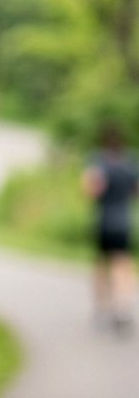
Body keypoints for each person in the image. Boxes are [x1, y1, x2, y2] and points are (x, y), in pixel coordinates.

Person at [82, 122, 138, 333]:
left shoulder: (98, 161)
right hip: (124, 222)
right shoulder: (130, 163)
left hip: (103, 221)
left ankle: (101, 307)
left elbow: (91, 190)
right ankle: (122, 308)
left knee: (101, 265)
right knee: (122, 264)